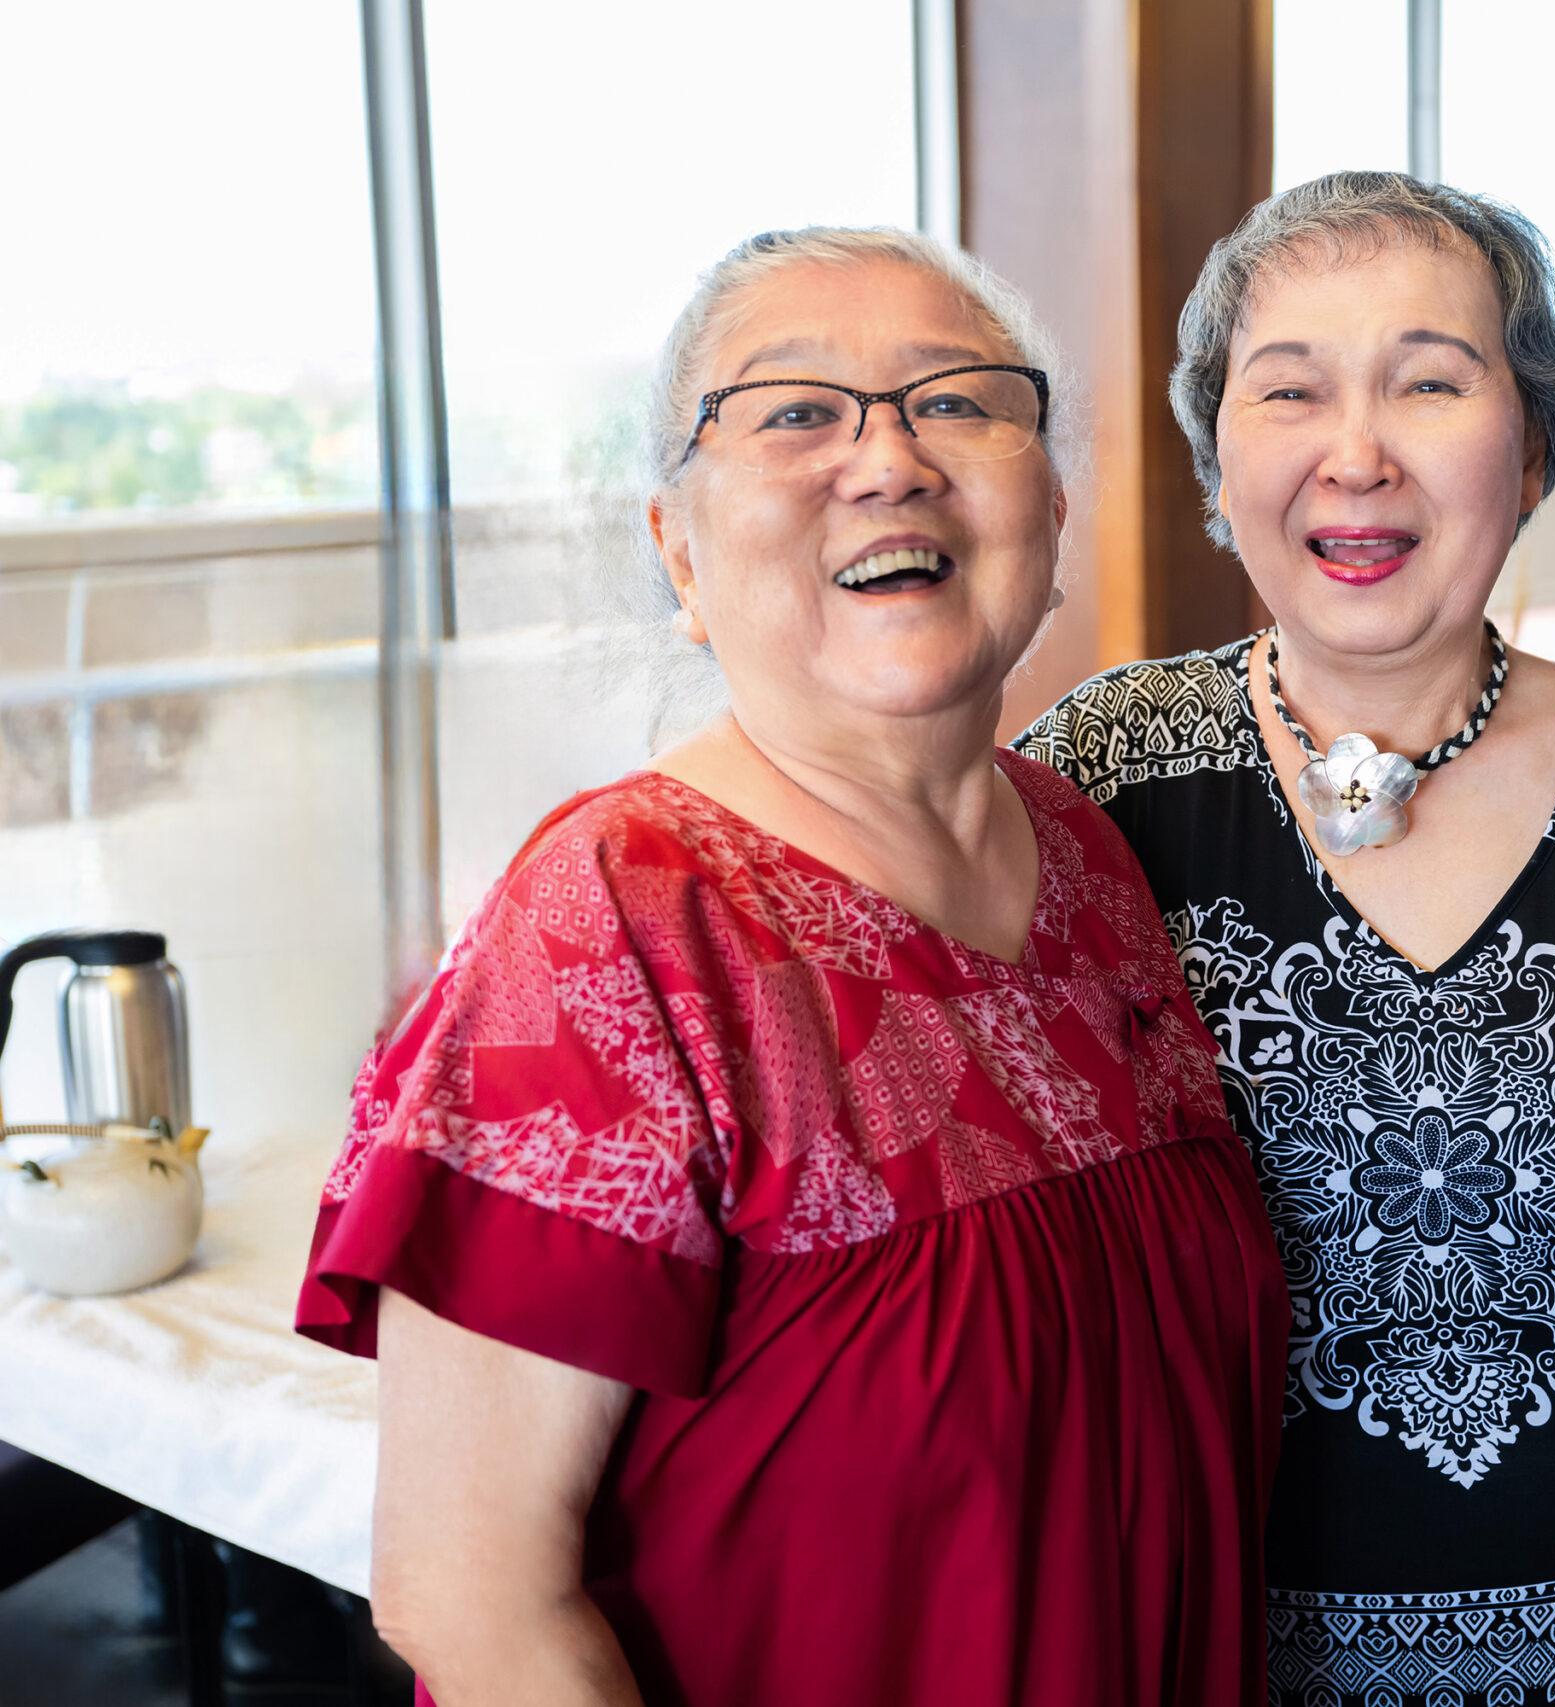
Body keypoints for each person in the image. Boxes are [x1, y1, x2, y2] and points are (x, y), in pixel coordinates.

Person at [296, 227, 1288, 1707]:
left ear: (1053, 506)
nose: (886, 459)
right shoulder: (616, 920)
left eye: (957, 400)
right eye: (794, 412)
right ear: (678, 549)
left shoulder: (1088, 851)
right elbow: (474, 1598)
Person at [1020, 172, 1555, 1706]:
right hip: (1225, 1652)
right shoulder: (1099, 778)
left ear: (1533, 441)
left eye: (1430, 380)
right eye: (1290, 390)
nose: (1359, 452)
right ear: (1221, 452)